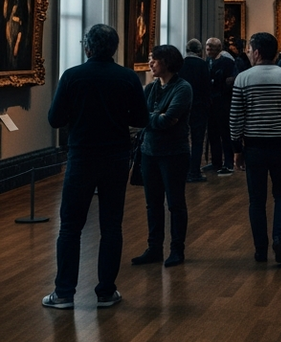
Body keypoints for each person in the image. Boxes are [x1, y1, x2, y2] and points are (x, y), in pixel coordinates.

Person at [42, 23, 148, 309]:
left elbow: (55, 119)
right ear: (114, 48)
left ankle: (64, 292)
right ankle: (105, 291)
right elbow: (141, 119)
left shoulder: (73, 76)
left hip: (82, 155)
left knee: (71, 227)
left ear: (87, 47)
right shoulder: (127, 78)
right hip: (115, 157)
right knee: (111, 225)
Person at [230, 32, 281, 265]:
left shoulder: (243, 78)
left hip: (254, 146)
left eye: (250, 49)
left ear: (257, 52)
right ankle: (278, 238)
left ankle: (260, 249)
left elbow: (236, 118)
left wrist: (237, 148)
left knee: (257, 200)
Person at [131, 44, 194, 268]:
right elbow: (139, 117)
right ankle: (154, 248)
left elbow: (168, 121)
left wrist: (155, 117)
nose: (151, 64)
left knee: (175, 204)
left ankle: (177, 249)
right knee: (153, 203)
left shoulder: (182, 88)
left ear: (166, 62)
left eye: (154, 60)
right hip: (149, 152)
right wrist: (158, 116)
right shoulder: (150, 88)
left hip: (174, 153)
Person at [179, 38, 211, 182]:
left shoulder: (181, 64)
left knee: (183, 139)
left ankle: (183, 170)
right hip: (199, 107)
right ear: (199, 51)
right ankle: (194, 171)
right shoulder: (203, 65)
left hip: (183, 107)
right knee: (198, 141)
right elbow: (206, 87)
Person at [205, 37, 236, 175]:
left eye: (211, 47)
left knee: (225, 134)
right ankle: (216, 161)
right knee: (212, 133)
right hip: (211, 104)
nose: (208, 50)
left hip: (223, 103)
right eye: (207, 47)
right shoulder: (207, 61)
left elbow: (232, 80)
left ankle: (228, 162)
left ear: (218, 48)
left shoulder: (227, 62)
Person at [3, 0, 29, 70]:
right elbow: (5, 15)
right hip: (9, 27)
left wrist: (18, 40)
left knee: (15, 57)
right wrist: (5, 0)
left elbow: (25, 18)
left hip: (17, 28)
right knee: (8, 57)